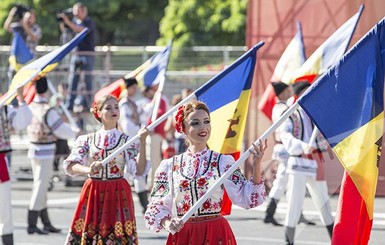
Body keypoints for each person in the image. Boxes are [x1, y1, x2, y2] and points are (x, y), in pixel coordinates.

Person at [144, 101, 267, 244]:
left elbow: (247, 196)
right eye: (195, 123)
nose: (203, 127)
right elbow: (157, 205)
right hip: (185, 234)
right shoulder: (170, 166)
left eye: (206, 121)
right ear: (183, 128)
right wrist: (168, 223)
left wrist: (257, 164)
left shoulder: (223, 162)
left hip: (215, 232)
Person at [63, 94, 150, 244]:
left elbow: (140, 171)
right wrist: (88, 170)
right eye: (108, 108)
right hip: (94, 189)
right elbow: (71, 165)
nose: (113, 110)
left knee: (117, 233)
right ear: (99, 112)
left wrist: (142, 143)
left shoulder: (127, 141)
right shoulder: (88, 139)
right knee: (91, 230)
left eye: (116, 107)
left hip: (117, 190)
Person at [279, 81, 334, 245]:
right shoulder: (291, 114)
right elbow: (285, 137)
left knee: (324, 204)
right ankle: (289, 241)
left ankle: (335, 239)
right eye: (306, 91)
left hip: (316, 164)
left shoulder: (316, 112)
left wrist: (320, 144)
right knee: (294, 204)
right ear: (299, 94)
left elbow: (324, 136)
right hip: (298, 165)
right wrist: (303, 146)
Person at [26, 77, 77, 235]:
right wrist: (75, 133)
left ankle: (45, 221)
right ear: (47, 90)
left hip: (34, 149)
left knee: (40, 186)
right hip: (46, 151)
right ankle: (32, 221)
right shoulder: (48, 109)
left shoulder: (30, 106)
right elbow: (61, 130)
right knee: (40, 186)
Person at [264, 81, 315, 226]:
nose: (290, 91)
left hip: (286, 147)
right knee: (284, 180)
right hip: (286, 148)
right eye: (287, 89)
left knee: (288, 182)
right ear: (282, 92)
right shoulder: (282, 108)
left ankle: (295, 213)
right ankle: (271, 212)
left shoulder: (282, 107)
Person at [0, 87, 32, 245]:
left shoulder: (5, 109)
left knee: (4, 207)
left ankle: (6, 240)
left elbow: (22, 122)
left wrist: (21, 98)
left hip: (0, 163)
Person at [118, 77, 149, 214]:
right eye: (133, 87)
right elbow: (126, 125)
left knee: (138, 172)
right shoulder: (124, 104)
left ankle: (144, 204)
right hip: (128, 142)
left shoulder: (133, 103)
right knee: (128, 173)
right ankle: (121, 203)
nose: (135, 90)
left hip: (135, 141)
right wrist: (138, 133)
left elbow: (142, 117)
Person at [58, 2, 95, 111]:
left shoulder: (89, 22)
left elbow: (81, 30)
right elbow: (66, 30)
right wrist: (64, 22)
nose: (75, 14)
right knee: (73, 80)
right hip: (76, 54)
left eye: (77, 11)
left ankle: (87, 105)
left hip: (87, 55)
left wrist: (67, 21)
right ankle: (69, 104)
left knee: (87, 80)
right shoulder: (74, 22)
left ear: (84, 11)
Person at [3, 6, 41, 100]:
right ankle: (13, 100)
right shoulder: (18, 27)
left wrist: (25, 25)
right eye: (27, 18)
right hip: (17, 62)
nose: (28, 20)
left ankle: (28, 100)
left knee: (28, 83)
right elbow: (6, 27)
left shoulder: (36, 28)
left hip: (29, 61)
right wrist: (11, 16)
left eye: (30, 18)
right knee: (13, 79)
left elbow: (34, 37)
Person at [145, 84, 169, 191]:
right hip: (153, 134)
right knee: (153, 160)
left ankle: (153, 183)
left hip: (156, 134)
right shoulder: (156, 101)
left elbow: (160, 115)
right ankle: (153, 182)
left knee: (154, 160)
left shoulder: (161, 100)